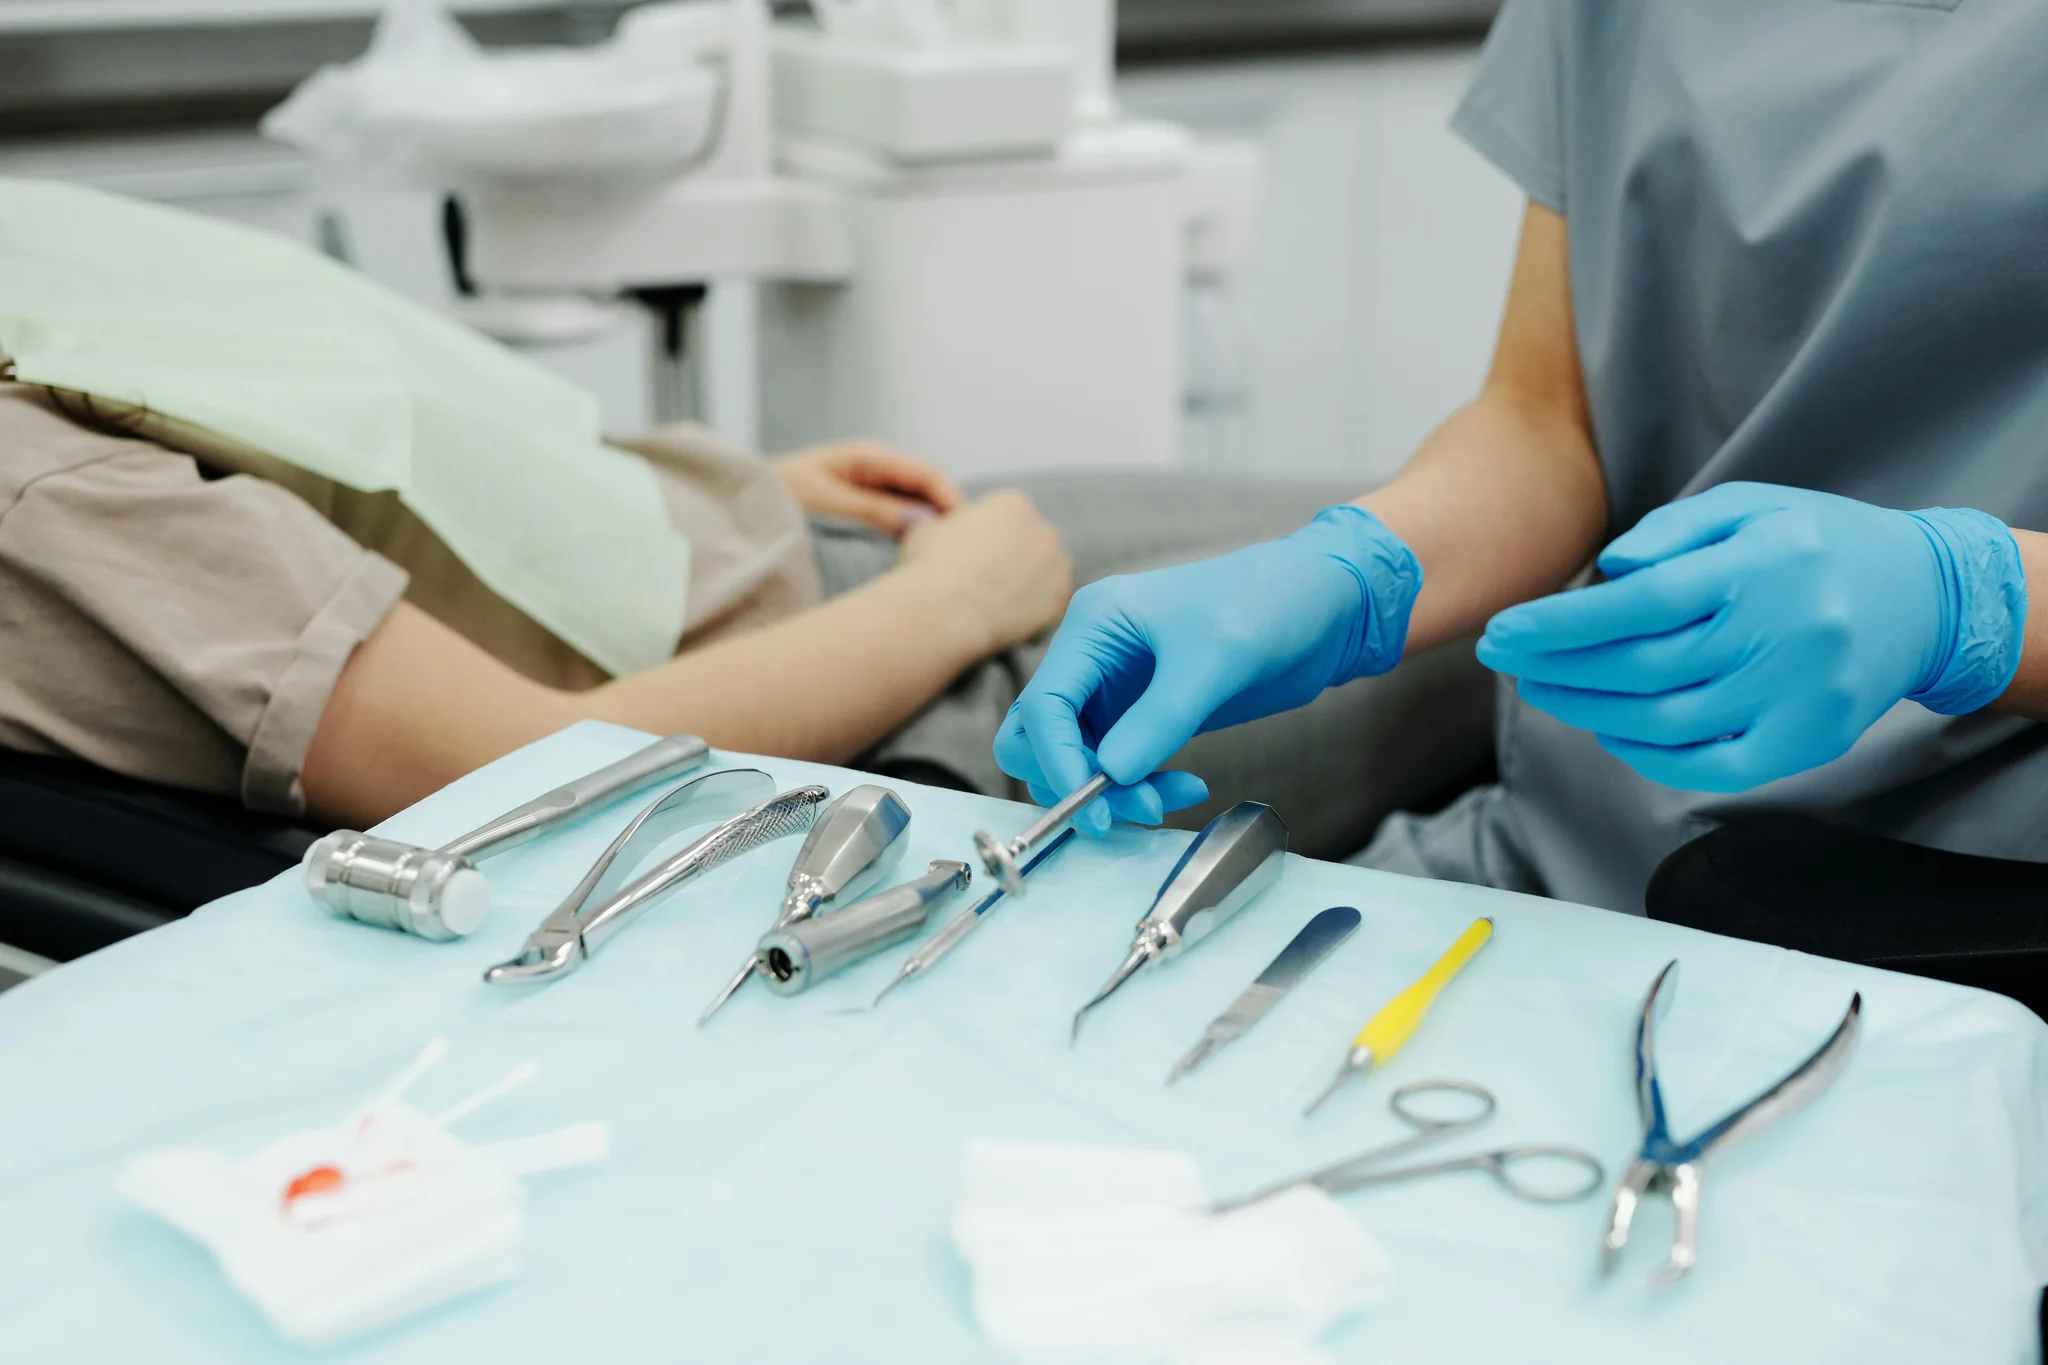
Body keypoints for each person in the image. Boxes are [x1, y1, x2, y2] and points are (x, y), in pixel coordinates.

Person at [0, 185, 1491, 850]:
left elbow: (270, 447)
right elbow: (516, 774)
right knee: (1500, 632)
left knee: (1439, 547)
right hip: (853, 701)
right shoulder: (25, 499)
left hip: (789, 572)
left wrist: (707, 488)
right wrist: (954, 605)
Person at [996, 0, 2048, 914]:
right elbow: (1547, 425)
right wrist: (1346, 574)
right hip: (1566, 859)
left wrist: (1967, 606)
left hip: (1962, 915)